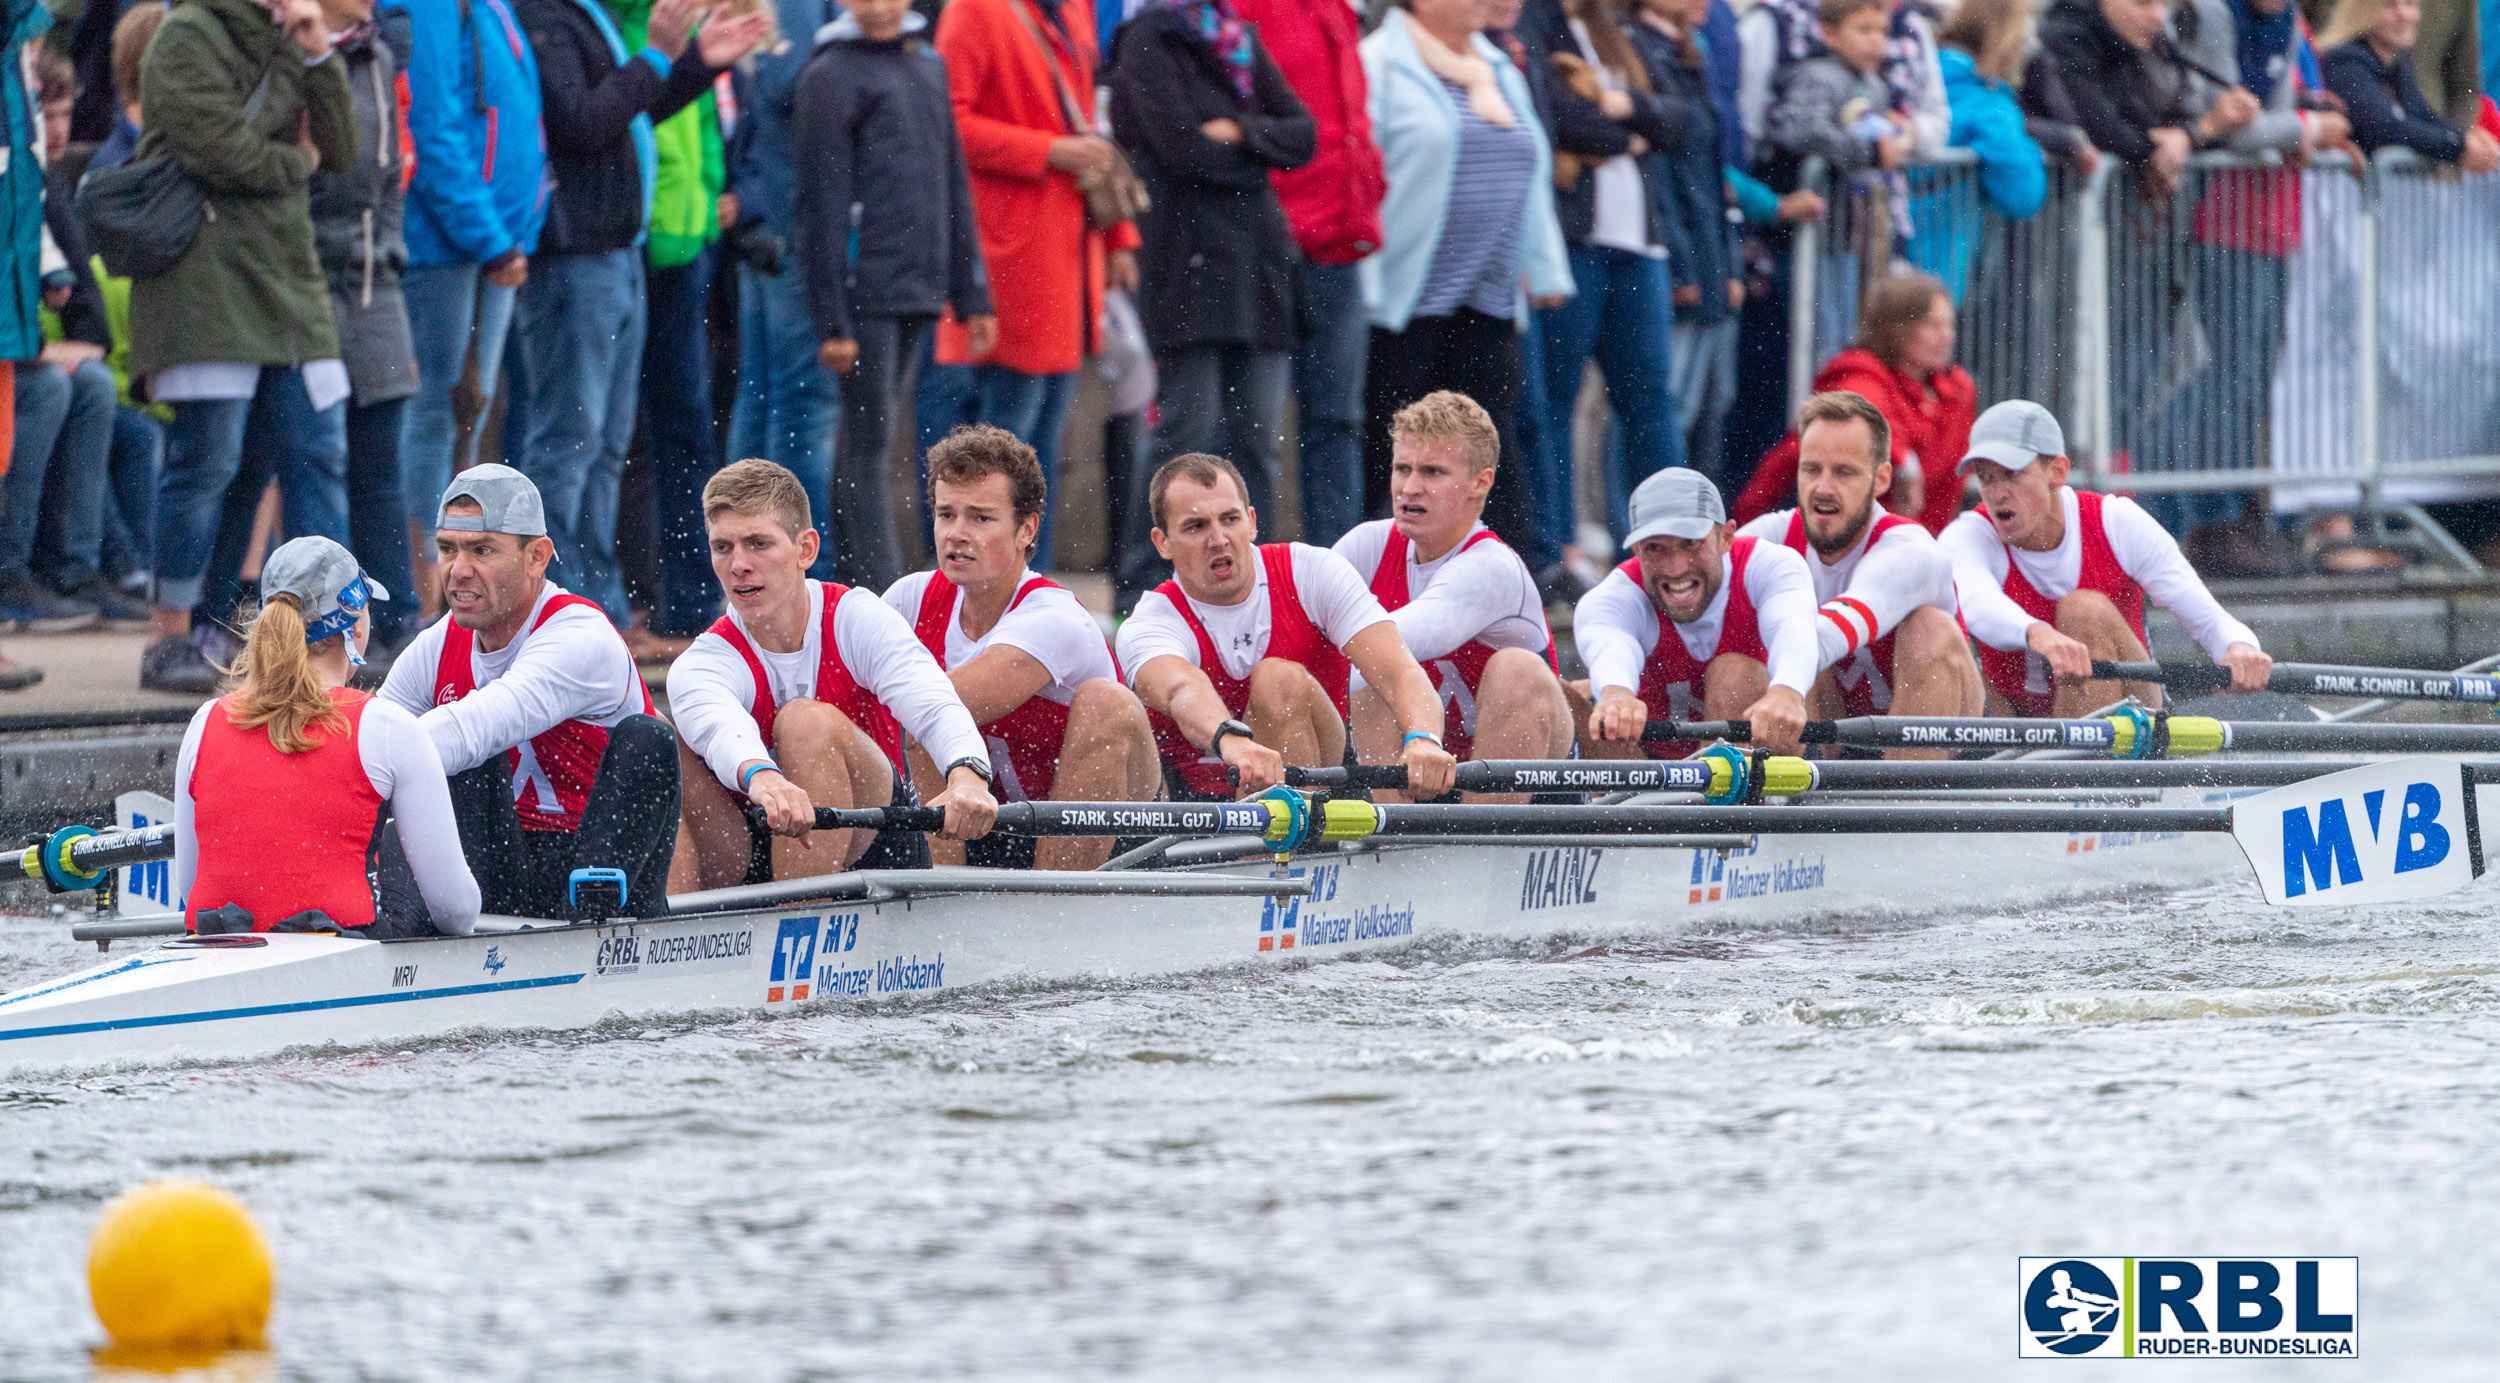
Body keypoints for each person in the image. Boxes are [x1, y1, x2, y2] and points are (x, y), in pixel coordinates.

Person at [510, 0, 767, 625]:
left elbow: (632, 111)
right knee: (569, 439)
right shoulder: (545, 16)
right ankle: (558, 608)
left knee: (605, 445)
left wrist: (696, 64)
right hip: (574, 255)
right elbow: (580, 122)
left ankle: (601, 610)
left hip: (617, 252)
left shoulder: (581, 13)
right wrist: (657, 54)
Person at [131, 0, 360, 694]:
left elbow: (342, 151)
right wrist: (296, 159)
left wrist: (319, 52)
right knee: (207, 460)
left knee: (313, 451)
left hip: (288, 284)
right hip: (205, 282)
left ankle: (333, 633)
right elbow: (217, 151)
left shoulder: (294, 35)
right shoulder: (183, 35)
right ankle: (170, 634)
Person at [667, 458, 1000, 890]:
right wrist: (762, 777)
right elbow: (718, 727)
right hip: (751, 850)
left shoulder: (855, 617)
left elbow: (934, 704)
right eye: (723, 547)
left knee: (806, 722)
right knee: (652, 737)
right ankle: (661, 939)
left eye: (758, 544)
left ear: (805, 549)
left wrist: (969, 777)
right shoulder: (704, 661)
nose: (738, 566)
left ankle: (795, 924)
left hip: (878, 846)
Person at [377, 465, 682, 919]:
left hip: (597, 874)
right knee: (436, 753)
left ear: (537, 557)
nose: (458, 572)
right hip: (504, 871)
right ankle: (401, 928)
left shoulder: (580, 636)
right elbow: (373, 734)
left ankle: (589, 938)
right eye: (447, 550)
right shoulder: (437, 645)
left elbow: (481, 723)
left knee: (648, 739)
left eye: (481, 550)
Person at [1109, 0, 1316, 598]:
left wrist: (1241, 134)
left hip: (1259, 272)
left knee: (1257, 443)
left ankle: (1263, 586)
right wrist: (1259, 149)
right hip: (1186, 267)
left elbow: (1303, 135)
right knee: (1184, 435)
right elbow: (1180, 149)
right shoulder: (1148, 36)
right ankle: (1144, 587)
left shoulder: (1238, 36)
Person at [176, 537, 481, 937]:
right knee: (397, 848)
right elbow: (457, 911)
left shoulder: (205, 721)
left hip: (216, 945)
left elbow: (187, 884)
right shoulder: (389, 728)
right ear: (356, 624)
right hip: (346, 955)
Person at [883, 425, 1158, 868]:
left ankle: (1050, 911)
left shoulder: (1053, 617)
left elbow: (937, 703)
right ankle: (940, 900)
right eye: (946, 514)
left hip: (1112, 841)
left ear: (1026, 530)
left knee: (1105, 701)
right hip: (991, 829)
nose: (956, 533)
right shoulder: (909, 599)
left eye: (981, 518)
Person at [1359, 0, 1574, 565]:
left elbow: (1532, 164)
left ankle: (1504, 574)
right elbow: (1365, 170)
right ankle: (1388, 578)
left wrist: (1545, 264)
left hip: (1490, 293)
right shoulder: (1379, 62)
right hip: (1404, 295)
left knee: (1489, 441)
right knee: (1398, 443)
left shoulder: (1498, 65)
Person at [793, 0, 997, 593]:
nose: (879, 6)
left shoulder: (927, 65)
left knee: (878, 439)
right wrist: (831, 316)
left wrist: (972, 292)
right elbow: (821, 204)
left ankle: (868, 586)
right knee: (867, 441)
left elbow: (951, 181)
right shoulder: (829, 74)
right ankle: (877, 591)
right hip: (865, 290)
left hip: (920, 283)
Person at [1115, 451, 1459, 800]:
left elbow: (1400, 671)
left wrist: (1424, 740)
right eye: (1196, 526)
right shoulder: (1152, 621)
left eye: (1229, 519)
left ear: (1251, 522)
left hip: (1319, 781)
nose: (1218, 539)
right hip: (1195, 801)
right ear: (1162, 543)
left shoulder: (1311, 572)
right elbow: (1181, 690)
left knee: (1277, 680)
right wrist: (1235, 744)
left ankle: (1286, 840)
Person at [935, 0, 1143, 572]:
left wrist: (1118, 234)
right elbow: (949, 123)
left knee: (1038, 449)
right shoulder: (974, 12)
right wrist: (1047, 151)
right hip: (1012, 256)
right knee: (1009, 449)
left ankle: (1031, 591)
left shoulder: (1070, 9)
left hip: (1063, 256)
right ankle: (996, 590)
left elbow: (1084, 124)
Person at [1941, 400, 2272, 718]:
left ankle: (2071, 767)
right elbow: (1973, 600)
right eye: (1985, 477)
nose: (1997, 493)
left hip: (2134, 712)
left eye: (2012, 474)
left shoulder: (2117, 522)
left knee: (2083, 610)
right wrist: (2038, 633)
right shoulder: (1968, 536)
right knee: (1935, 631)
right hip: (2016, 724)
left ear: (2056, 472)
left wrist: (2239, 646)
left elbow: (2210, 619)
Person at [1331, 392, 1572, 796]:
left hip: (1533, 790)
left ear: (1481, 483)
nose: (1409, 488)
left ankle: (1486, 847)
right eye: (1402, 469)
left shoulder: (1492, 567)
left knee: (1512, 669)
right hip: (1421, 773)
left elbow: (1402, 638)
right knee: (1348, 670)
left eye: (1432, 473)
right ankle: (1391, 840)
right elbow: (1293, 613)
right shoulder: (1368, 545)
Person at [395, 0, 544, 623]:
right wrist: (491, 236)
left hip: (491, 245)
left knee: (465, 418)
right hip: (447, 247)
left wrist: (514, 232)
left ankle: (446, 590)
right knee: (432, 414)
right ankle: (423, 596)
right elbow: (433, 124)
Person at [1530, 0, 1689, 552]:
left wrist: (1618, 102)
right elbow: (1559, 118)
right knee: (1556, 396)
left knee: (1650, 398)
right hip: (1576, 242)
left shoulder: (1616, 28)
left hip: (1638, 244)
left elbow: (1680, 116)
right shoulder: (1535, 22)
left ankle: (1672, 536)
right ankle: (1555, 548)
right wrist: (1631, 132)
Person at [1731, 390, 1978, 733]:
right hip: (1836, 734)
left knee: (1927, 629)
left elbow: (1837, 628)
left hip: (1938, 744)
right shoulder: (1769, 538)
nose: (1823, 488)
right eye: (1812, 470)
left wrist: (1786, 685)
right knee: (1747, 654)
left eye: (1844, 472)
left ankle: (1906, 788)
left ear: (1881, 479)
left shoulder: (1911, 549)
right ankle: (1790, 783)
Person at [1232, 0, 1385, 549]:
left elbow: (1348, 123)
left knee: (1338, 419)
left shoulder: (1337, 10)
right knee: (1256, 428)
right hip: (1271, 240)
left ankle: (1338, 574)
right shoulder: (1247, 9)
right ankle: (1253, 577)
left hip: (1338, 241)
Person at [305, 0, 419, 660]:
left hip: (378, 283)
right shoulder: (293, 53)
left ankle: (396, 615)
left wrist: (391, 252)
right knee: (318, 458)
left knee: (381, 459)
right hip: (313, 281)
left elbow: (390, 177)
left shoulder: (376, 55)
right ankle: (324, 625)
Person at [1573, 466, 1818, 758]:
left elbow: (1792, 629)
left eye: (1690, 543)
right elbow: (1611, 649)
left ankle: (1728, 802)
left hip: (1763, 760)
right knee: (1565, 696)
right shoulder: (1612, 598)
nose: (1675, 568)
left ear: (1726, 537)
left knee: (1735, 674)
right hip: (1652, 769)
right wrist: (1615, 694)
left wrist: (1787, 692)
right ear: (1636, 550)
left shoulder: (1770, 565)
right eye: (1654, 548)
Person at [724, 0, 841, 563]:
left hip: (773, 219)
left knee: (767, 392)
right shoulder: (797, 10)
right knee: (800, 400)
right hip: (794, 225)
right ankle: (795, 563)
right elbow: (795, 90)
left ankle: (749, 549)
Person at [1734, 271, 1975, 534]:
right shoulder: (1861, 372)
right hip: (1853, 539)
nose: (1946, 336)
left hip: (1926, 540)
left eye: (1949, 325)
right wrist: (1904, 460)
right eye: (1932, 325)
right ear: (1895, 328)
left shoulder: (1958, 390)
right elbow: (1867, 411)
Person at [1627, 0, 1745, 487]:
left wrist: (1730, 264)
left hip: (1709, 257)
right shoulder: (1635, 47)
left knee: (1704, 407)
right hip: (1679, 259)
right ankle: (1644, 533)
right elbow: (1661, 177)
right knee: (1663, 406)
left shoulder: (1687, 53)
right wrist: (1680, 269)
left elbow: (1712, 180)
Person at [2034, 0, 2261, 198]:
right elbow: (2104, 130)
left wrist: (2195, 133)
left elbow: (2146, 125)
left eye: (2164, 4)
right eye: (2142, 3)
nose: (2159, 17)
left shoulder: (2118, 44)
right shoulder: (2068, 38)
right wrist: (2199, 131)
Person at [2323, 0, 2500, 166]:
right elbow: (2385, 127)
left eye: (2409, 3)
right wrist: (2459, 146)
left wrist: (2468, 138)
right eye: (2390, 5)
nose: (2404, 15)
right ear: (2363, 11)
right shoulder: (2345, 61)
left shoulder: (2399, 65)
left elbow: (2424, 117)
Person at [1935, 0, 2048, 219]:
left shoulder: (1920, 76)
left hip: (1883, 238)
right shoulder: (1988, 105)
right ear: (2007, 39)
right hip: (1940, 243)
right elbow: (2022, 195)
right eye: (2021, 40)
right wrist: (2030, 148)